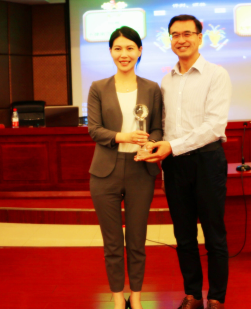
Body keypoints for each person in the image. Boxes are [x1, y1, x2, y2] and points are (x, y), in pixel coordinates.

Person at [140, 15, 232, 309]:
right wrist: (159, 154)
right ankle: (192, 295)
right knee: (183, 235)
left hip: (207, 161)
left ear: (200, 37)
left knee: (214, 234)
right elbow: (165, 125)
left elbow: (214, 126)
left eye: (187, 33)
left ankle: (216, 297)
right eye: (175, 34)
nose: (181, 40)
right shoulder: (166, 80)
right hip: (174, 165)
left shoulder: (216, 74)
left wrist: (172, 147)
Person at [87, 26, 163, 309]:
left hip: (140, 171)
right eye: (118, 48)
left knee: (137, 241)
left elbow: (157, 127)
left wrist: (149, 143)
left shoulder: (152, 88)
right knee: (112, 243)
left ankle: (137, 297)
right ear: (110, 52)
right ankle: (118, 298)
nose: (124, 54)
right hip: (104, 172)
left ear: (140, 51)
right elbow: (95, 130)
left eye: (130, 48)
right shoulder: (98, 87)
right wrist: (125, 137)